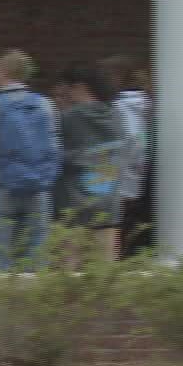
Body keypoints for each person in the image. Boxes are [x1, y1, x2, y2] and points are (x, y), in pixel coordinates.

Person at [0, 49, 61, 270]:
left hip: (0, 184)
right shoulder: (46, 104)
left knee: (1, 256)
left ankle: (4, 304)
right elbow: (54, 145)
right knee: (37, 256)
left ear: (3, 72)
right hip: (38, 187)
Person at [54, 66, 128, 262]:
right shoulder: (117, 117)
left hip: (74, 208)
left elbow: (55, 157)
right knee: (103, 276)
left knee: (69, 279)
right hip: (109, 205)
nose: (66, 95)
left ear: (79, 87)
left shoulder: (68, 119)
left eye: (67, 89)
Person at [103, 55, 154, 255]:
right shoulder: (145, 103)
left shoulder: (122, 107)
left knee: (126, 234)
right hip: (139, 176)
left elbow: (134, 141)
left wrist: (125, 175)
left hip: (127, 180)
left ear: (116, 77)